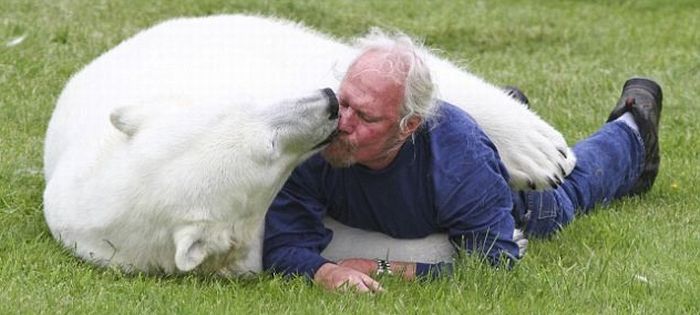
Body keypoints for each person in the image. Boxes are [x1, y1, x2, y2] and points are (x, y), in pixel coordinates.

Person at [262, 31, 663, 293]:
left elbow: (492, 268)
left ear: (409, 126)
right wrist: (325, 271)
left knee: (567, 196)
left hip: (507, 196)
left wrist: (380, 267)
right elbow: (282, 244)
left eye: (366, 117)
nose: (343, 124)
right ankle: (510, 106)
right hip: (467, 162)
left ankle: (633, 131)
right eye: (344, 102)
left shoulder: (457, 163)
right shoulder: (319, 136)